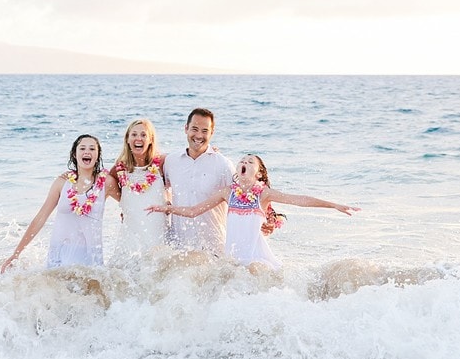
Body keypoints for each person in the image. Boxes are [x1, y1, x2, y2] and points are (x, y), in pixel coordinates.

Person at [147, 154, 359, 271]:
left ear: (258, 173)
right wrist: (166, 208)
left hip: (256, 259)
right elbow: (194, 211)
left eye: (250, 162)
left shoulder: (263, 194)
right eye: (242, 161)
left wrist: (334, 205)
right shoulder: (227, 192)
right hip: (230, 260)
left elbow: (299, 200)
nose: (244, 163)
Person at [0, 134, 117, 271]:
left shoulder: (106, 183)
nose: (87, 151)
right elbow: (41, 217)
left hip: (90, 258)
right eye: (82, 148)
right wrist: (16, 253)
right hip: (60, 253)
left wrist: (126, 214)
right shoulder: (62, 183)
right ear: (74, 154)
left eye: (92, 149)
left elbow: (129, 203)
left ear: (98, 155)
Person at [162, 108, 235, 255]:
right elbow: (161, 189)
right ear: (186, 128)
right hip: (178, 247)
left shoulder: (223, 164)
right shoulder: (171, 161)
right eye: (194, 129)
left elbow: (240, 198)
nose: (199, 136)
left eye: (205, 131)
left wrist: (265, 219)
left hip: (213, 249)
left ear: (211, 133)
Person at [108, 118, 170, 262]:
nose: (138, 138)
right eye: (134, 134)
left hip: (156, 227)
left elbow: (185, 163)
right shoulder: (119, 168)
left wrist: (209, 152)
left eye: (143, 135)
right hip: (132, 229)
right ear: (128, 139)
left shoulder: (161, 162)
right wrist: (125, 204)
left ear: (150, 140)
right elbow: (105, 184)